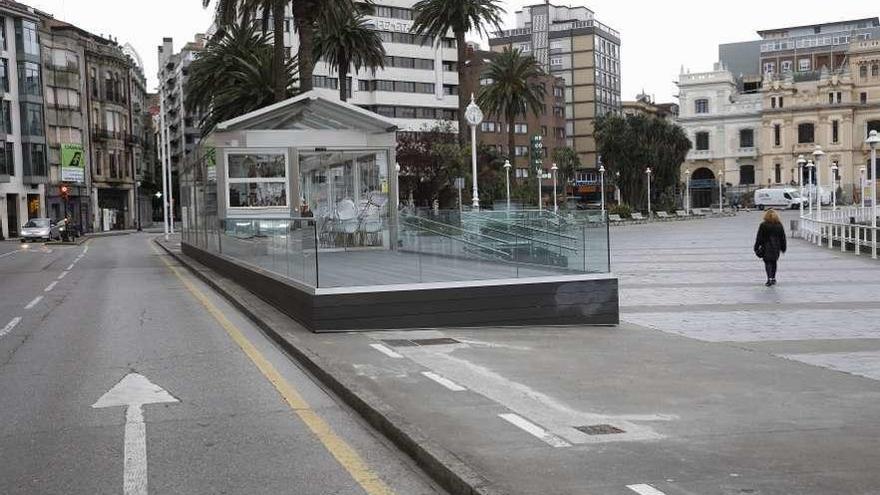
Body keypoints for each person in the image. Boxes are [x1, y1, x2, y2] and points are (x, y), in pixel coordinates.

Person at [754, 209, 787, 286]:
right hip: (776, 246)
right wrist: (783, 247)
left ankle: (769, 278)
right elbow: (783, 237)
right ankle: (773, 278)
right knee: (774, 262)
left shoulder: (763, 225)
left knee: (767, 262)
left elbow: (759, 237)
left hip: (766, 246)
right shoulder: (779, 225)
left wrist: (756, 247)